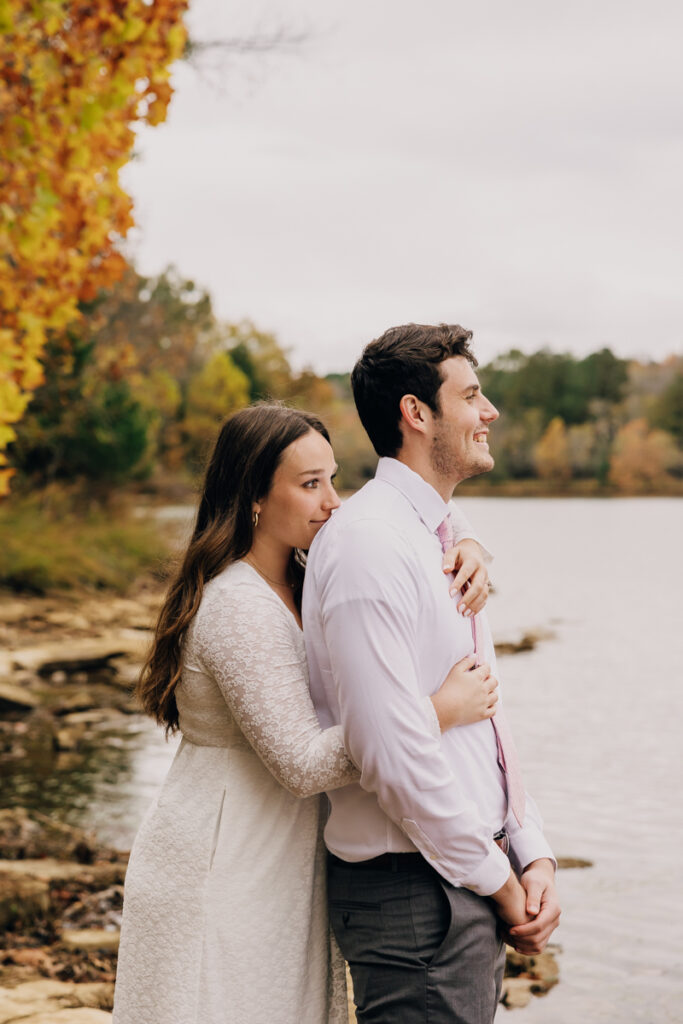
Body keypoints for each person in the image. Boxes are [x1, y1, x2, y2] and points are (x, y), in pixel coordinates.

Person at [112, 403, 498, 1024]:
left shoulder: (302, 574)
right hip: (225, 857)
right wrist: (434, 711)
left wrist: (467, 538)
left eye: (334, 479)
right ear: (255, 498)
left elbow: (418, 509)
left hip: (274, 853)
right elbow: (300, 764)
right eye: (310, 484)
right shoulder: (238, 603)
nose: (334, 502)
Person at [303, 323, 562, 1024]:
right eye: (472, 396)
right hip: (417, 895)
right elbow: (390, 755)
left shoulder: (437, 536)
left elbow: (485, 724)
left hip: (457, 878)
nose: (490, 413)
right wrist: (497, 883)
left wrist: (529, 850)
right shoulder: (366, 547)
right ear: (415, 414)